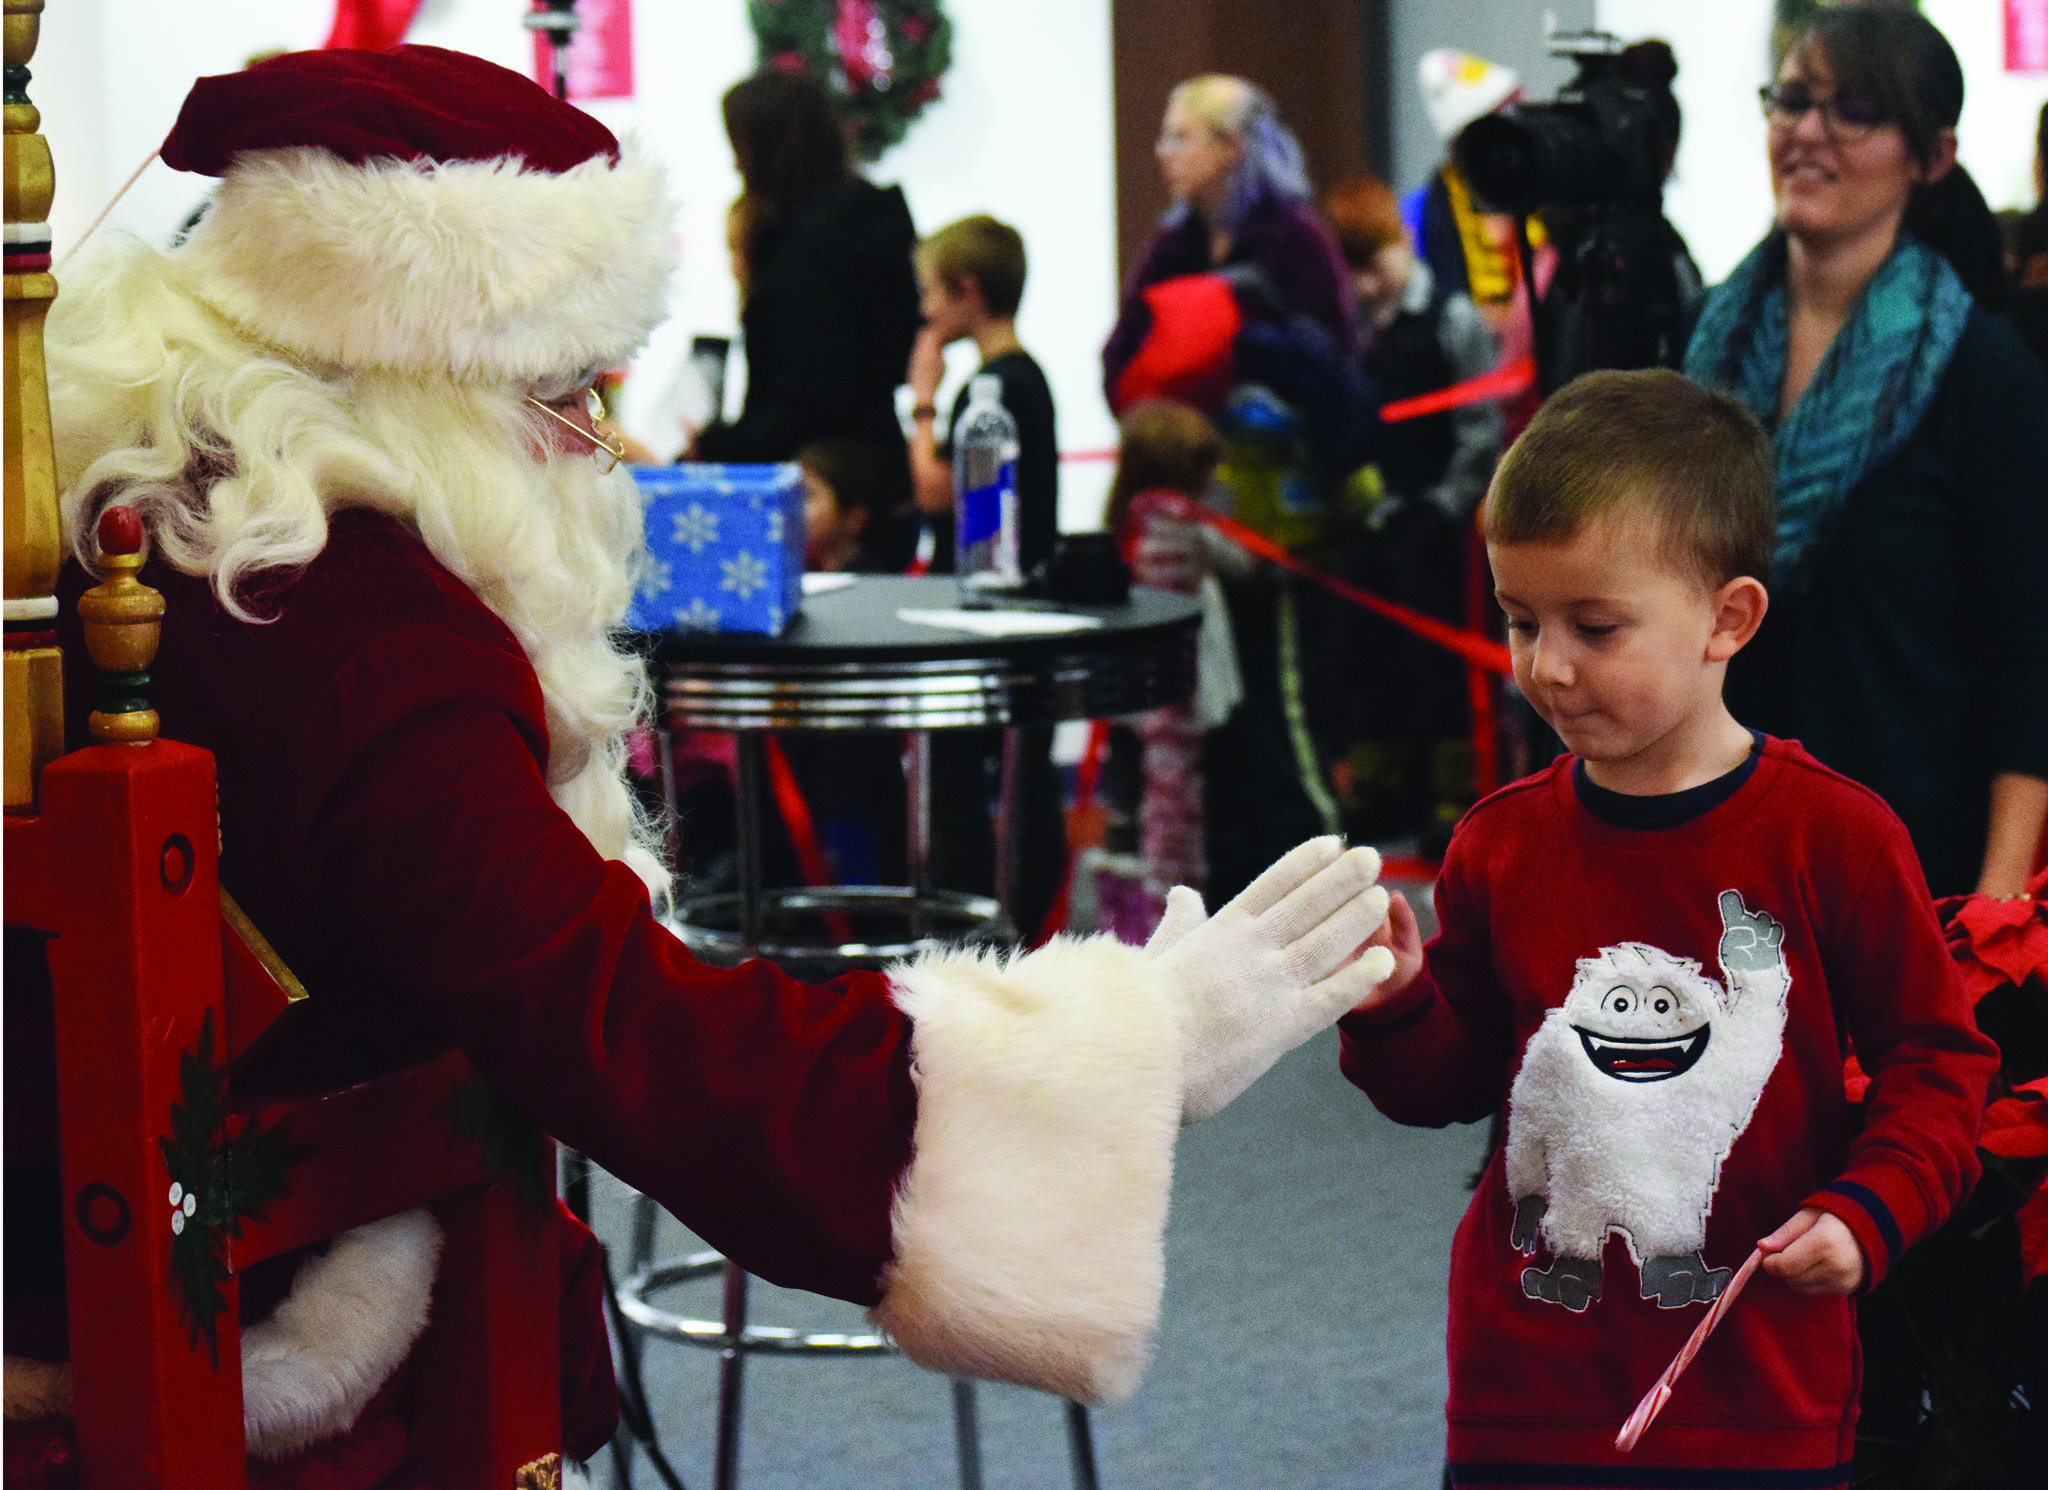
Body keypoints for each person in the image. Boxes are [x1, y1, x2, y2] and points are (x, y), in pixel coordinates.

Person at [14, 47, 1400, 1477]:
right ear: (418, 372)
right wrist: (1131, 1040)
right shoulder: (364, 638)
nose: (596, 440)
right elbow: (624, 1020)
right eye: (561, 387)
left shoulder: (153, 507)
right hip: (262, 1336)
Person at [1339, 369, 1997, 1482]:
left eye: (1594, 626)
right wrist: (1396, 1002)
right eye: (1517, 619)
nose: (1545, 664)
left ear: (1725, 619)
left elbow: (1936, 1064)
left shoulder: (1831, 835)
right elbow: (1452, 1085)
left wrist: (1867, 1209)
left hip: (1755, 1391)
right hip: (1524, 1392)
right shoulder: (1499, 842)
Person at [1683, 5, 2048, 901]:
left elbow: (2026, 660)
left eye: (1854, 111)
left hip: (1908, 875)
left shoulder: (1984, 373)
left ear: (1931, 157)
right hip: (1714, 857)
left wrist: (1990, 919)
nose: (1808, 132)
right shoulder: (1707, 347)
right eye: (1794, 100)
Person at [1101, 75, 1357, 904]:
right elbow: (1120, 360)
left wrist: (1247, 332)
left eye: (1182, 136)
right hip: (1185, 526)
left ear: (1230, 146)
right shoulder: (1171, 247)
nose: (1163, 151)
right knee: (1184, 733)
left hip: (1270, 536)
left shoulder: (1295, 243)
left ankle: (1317, 901)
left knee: (1275, 734)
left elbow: (1339, 387)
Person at [1321, 172, 1500, 841]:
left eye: (1374, 265)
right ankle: (1382, 791)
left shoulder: (1451, 318)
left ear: (1401, 240)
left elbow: (1479, 430)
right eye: (1354, 273)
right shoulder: (1363, 328)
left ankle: (1452, 800)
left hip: (1436, 527)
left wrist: (1442, 503)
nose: (1367, 285)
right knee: (1365, 661)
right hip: (1379, 520)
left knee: (1439, 670)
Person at [689, 68, 920, 512]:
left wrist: (720, 447)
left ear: (767, 149)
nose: (735, 164)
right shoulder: (868, 226)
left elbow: (806, 392)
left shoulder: (807, 249)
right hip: (876, 465)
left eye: (739, 148)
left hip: (822, 484)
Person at [1095, 401, 1238, 940]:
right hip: (1180, 689)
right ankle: (1175, 921)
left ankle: (1162, 912)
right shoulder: (1181, 524)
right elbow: (1242, 563)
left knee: (1155, 807)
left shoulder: (1130, 526)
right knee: (1176, 814)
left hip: (1148, 687)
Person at [905, 213, 1059, 577]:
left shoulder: (988, 394)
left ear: (968, 291)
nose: (924, 309)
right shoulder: (1030, 376)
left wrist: (923, 400)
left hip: (986, 583)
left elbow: (936, 493)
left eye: (929, 291)